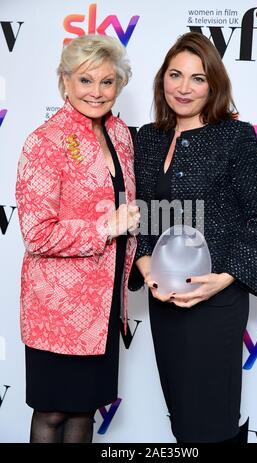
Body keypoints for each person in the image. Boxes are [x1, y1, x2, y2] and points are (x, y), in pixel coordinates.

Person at [131, 32, 257, 443]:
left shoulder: (235, 137)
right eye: (175, 75)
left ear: (214, 85)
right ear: (162, 79)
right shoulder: (147, 138)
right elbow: (143, 215)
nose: (184, 87)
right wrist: (145, 265)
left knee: (212, 422)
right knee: (183, 419)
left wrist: (225, 279)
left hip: (216, 303)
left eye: (198, 78)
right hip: (163, 299)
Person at [15, 34, 139, 443]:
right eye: (85, 80)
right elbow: (37, 233)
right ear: (65, 81)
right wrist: (106, 227)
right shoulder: (45, 141)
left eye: (107, 82)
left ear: (118, 85)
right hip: (58, 307)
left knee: (84, 411)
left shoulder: (120, 135)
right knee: (51, 413)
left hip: (103, 307)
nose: (97, 92)